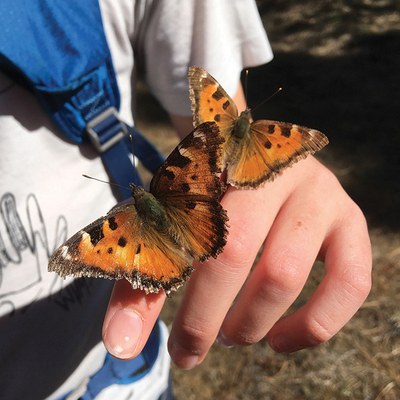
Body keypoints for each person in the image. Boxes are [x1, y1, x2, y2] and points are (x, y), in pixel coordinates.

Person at [0, 0, 372, 399]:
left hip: (119, 382)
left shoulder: (118, 225)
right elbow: (209, 138)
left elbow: (217, 135)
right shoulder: (170, 179)